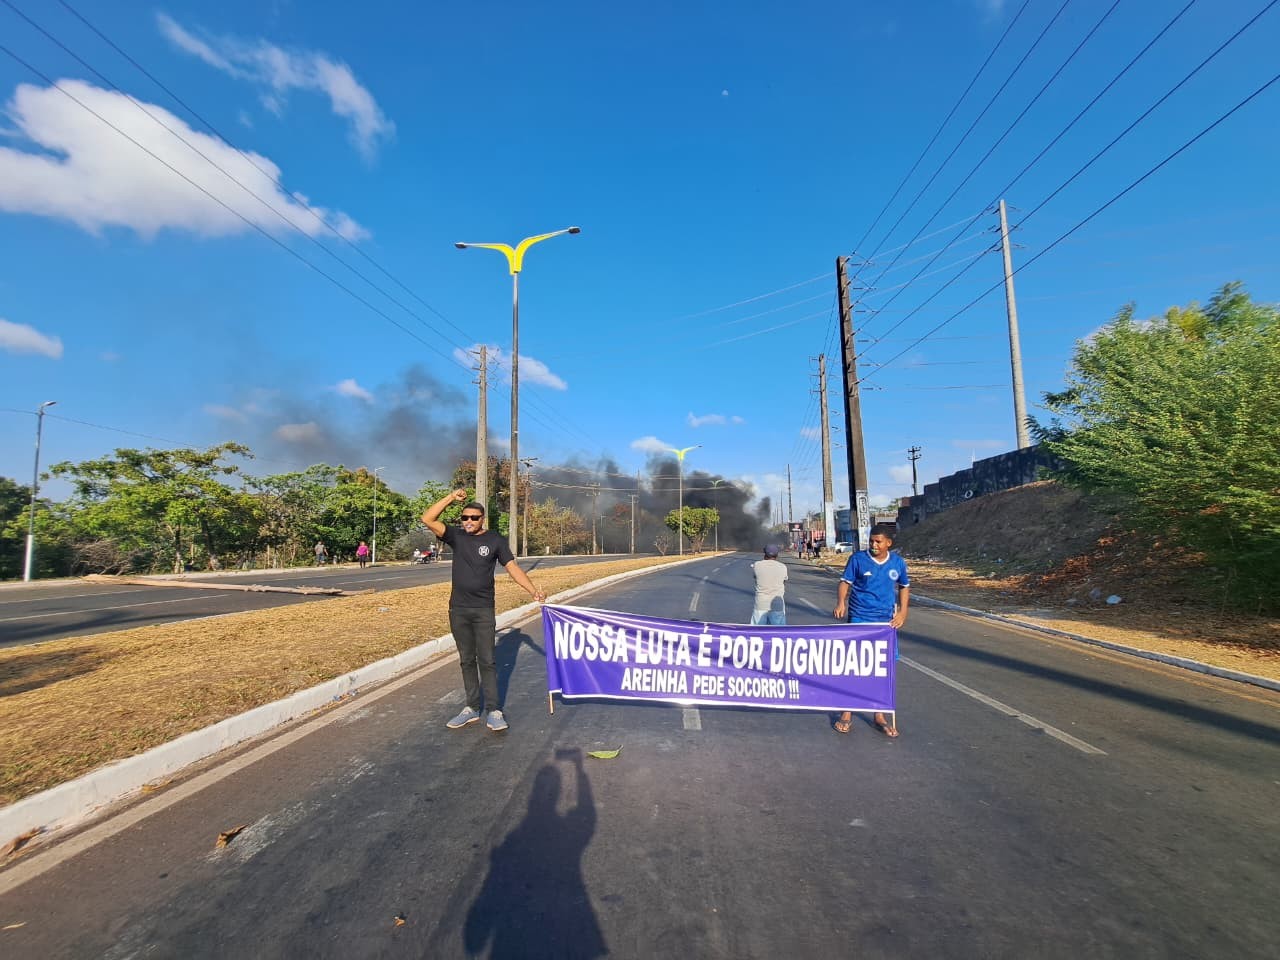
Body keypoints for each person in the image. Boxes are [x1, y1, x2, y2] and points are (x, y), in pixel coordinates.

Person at [422, 489, 547, 733]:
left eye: (474, 518)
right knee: (466, 660)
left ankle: (493, 710)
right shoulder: (456, 536)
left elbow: (513, 568)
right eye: (465, 517)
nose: (468, 521)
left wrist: (533, 591)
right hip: (458, 609)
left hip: (483, 610)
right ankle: (470, 708)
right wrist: (449, 498)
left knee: (487, 661)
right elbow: (427, 518)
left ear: (483, 519)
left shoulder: (495, 541)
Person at [832, 523, 910, 737]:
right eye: (871, 541)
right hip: (859, 618)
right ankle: (846, 713)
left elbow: (904, 586)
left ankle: (879, 716)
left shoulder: (898, 563)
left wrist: (903, 613)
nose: (874, 545)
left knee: (882, 670)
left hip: (885, 623)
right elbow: (844, 582)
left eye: (878, 541)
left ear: (888, 543)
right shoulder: (857, 559)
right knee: (854, 667)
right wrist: (841, 603)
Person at [749, 544, 789, 625]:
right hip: (777, 606)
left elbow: (755, 578)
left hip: (761, 605)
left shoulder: (757, 565)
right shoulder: (783, 567)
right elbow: (784, 582)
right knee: (778, 634)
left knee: (757, 634)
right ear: (777, 555)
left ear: (764, 553)